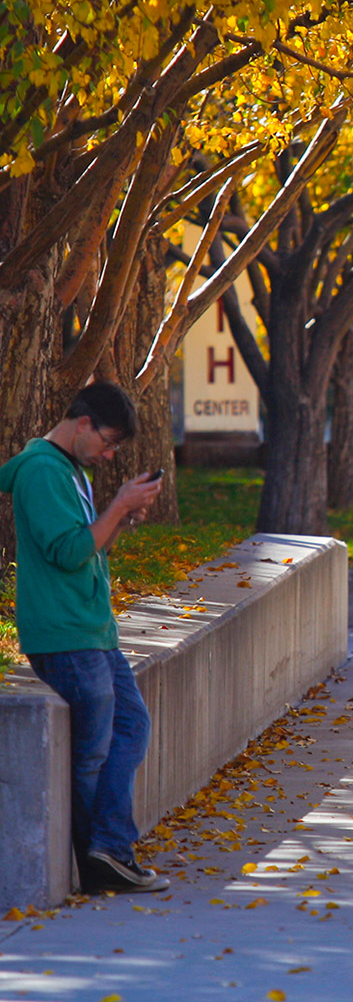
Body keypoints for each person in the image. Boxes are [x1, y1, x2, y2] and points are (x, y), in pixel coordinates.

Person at [0, 382, 168, 895]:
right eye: (108, 441)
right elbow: (68, 552)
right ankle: (104, 858)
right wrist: (117, 506)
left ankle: (107, 848)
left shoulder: (70, 470)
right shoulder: (43, 472)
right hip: (65, 631)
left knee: (132, 725)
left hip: (92, 628)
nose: (109, 453)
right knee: (93, 751)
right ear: (83, 424)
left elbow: (89, 546)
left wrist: (120, 520)